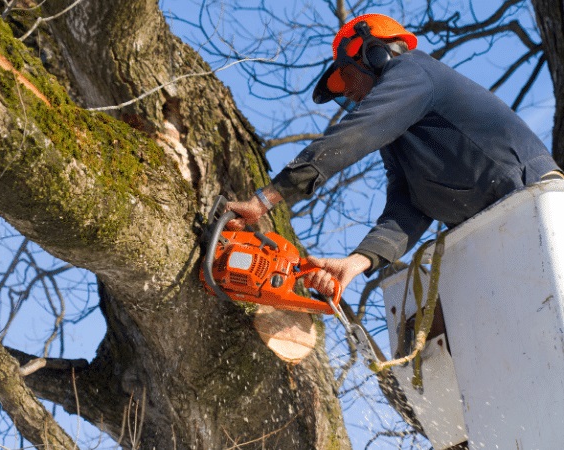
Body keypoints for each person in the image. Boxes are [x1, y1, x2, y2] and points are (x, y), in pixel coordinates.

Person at [226, 13, 562, 296]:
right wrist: (357, 262)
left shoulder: (414, 71)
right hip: (492, 229)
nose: (352, 94)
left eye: (347, 78)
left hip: (530, 199)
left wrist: (266, 199)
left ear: (375, 55)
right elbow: (409, 205)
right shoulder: (399, 133)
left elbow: (356, 133)